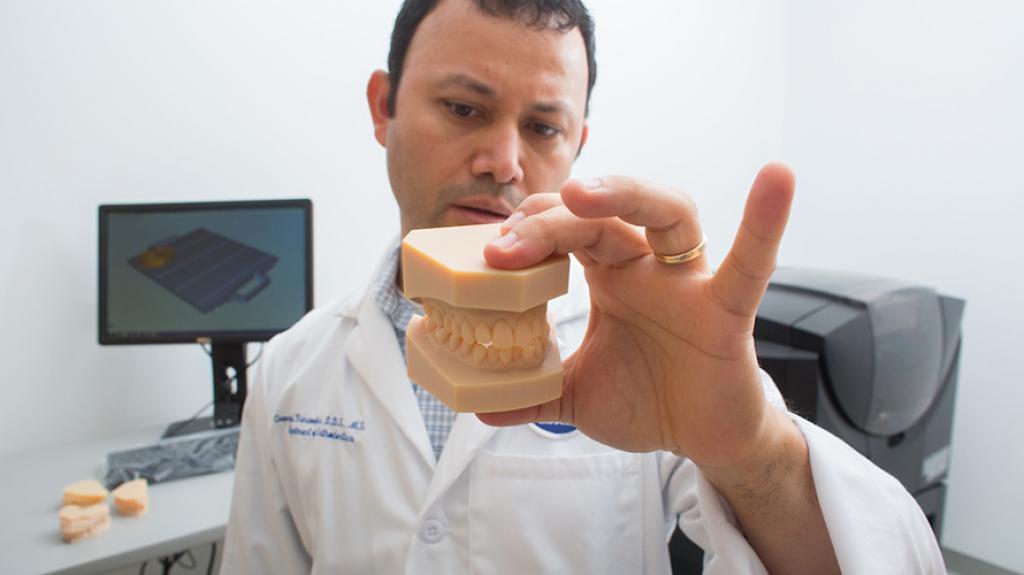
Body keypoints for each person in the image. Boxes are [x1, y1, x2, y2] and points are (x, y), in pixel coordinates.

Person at [221, 1, 945, 573]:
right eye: (464, 108)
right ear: (384, 108)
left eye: (542, 126)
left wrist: (752, 450)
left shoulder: (643, 343)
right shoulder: (292, 369)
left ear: (578, 146)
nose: (504, 161)